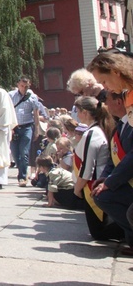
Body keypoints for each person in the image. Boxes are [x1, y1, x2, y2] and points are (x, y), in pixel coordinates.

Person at [72, 94, 122, 243]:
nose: (77, 114)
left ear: (85, 112)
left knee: (99, 232)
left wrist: (77, 188)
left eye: (78, 110)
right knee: (98, 231)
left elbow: (88, 167)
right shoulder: (95, 130)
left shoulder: (92, 134)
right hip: (92, 184)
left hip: (91, 185)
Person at [9, 77, 42, 187]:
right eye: (22, 86)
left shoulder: (32, 97)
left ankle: (22, 176)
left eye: (26, 86)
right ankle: (21, 169)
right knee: (15, 153)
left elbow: (36, 114)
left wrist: (37, 129)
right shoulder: (11, 95)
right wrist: (9, 128)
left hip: (27, 126)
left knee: (24, 152)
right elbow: (6, 112)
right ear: (18, 84)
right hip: (14, 127)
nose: (24, 88)